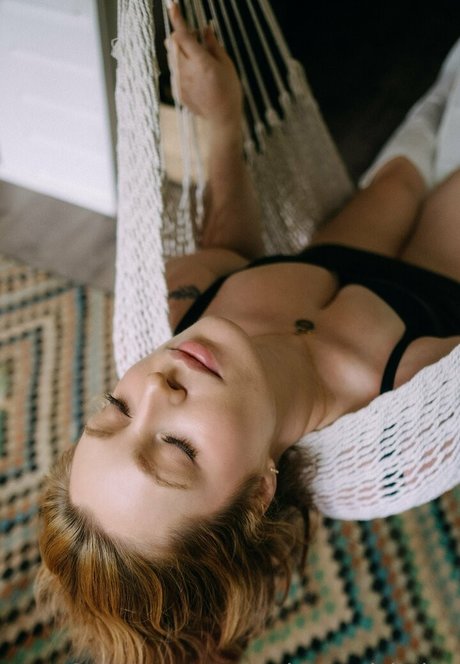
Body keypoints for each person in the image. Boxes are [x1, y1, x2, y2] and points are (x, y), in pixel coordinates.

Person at [36, 6, 460, 664]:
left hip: (391, 181)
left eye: (115, 408)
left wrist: (223, 121)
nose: (157, 387)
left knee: (428, 123)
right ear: (259, 492)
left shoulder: (180, 305)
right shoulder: (403, 411)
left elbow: (228, 248)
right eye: (176, 447)